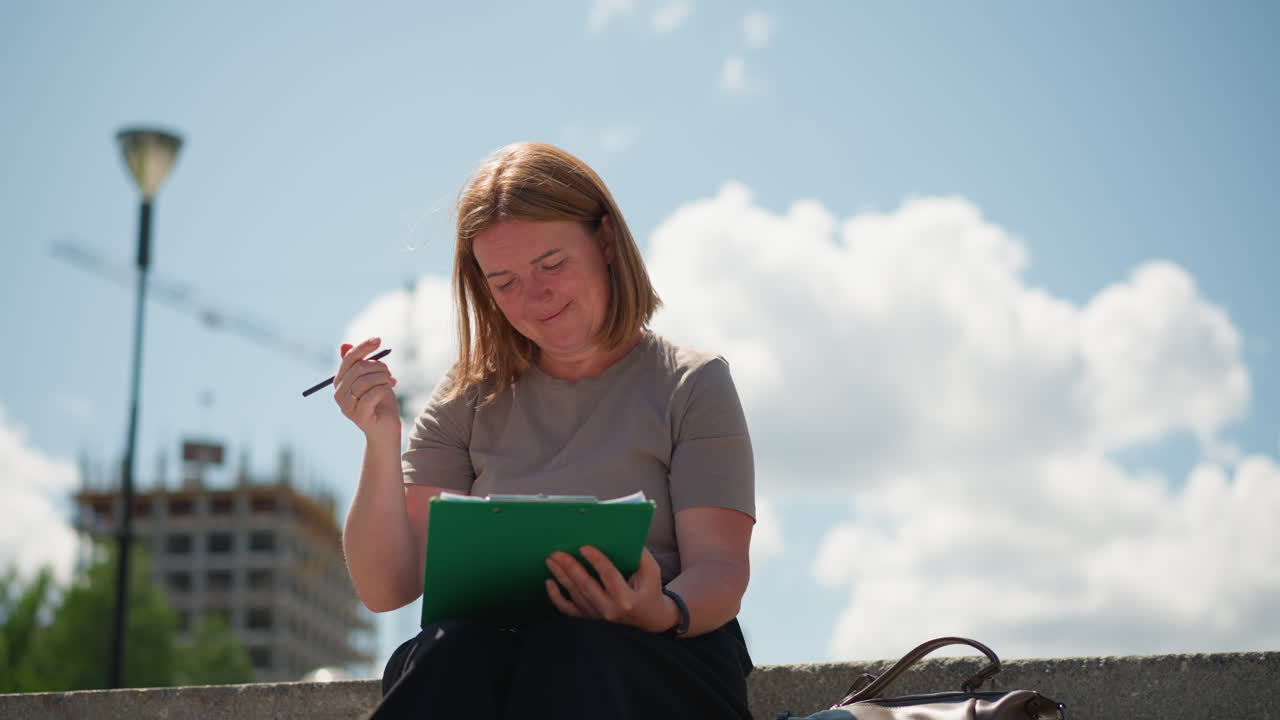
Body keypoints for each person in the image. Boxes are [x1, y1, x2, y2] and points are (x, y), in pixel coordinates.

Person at [334, 141, 756, 719]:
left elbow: (722, 568)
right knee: (448, 652)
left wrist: (656, 609)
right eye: (503, 282)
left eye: (551, 265)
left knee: (570, 650)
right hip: (493, 662)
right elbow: (387, 589)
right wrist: (381, 440)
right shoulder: (466, 399)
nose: (534, 299)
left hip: (655, 659)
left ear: (606, 241)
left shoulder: (692, 384)